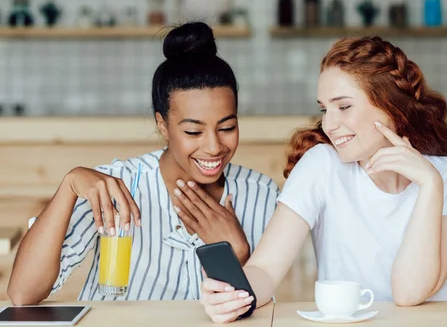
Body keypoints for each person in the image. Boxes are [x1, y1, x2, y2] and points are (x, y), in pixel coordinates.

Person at [200, 35, 447, 323]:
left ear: (391, 107)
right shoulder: (321, 166)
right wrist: (235, 297)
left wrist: (430, 185)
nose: (329, 124)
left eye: (344, 107)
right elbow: (265, 270)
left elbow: (409, 293)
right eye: (325, 109)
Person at [8, 22, 278, 306]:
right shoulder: (116, 185)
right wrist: (69, 184)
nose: (213, 147)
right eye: (193, 132)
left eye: (227, 127)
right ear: (163, 125)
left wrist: (236, 253)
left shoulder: (261, 194)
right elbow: (23, 294)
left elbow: (255, 315)